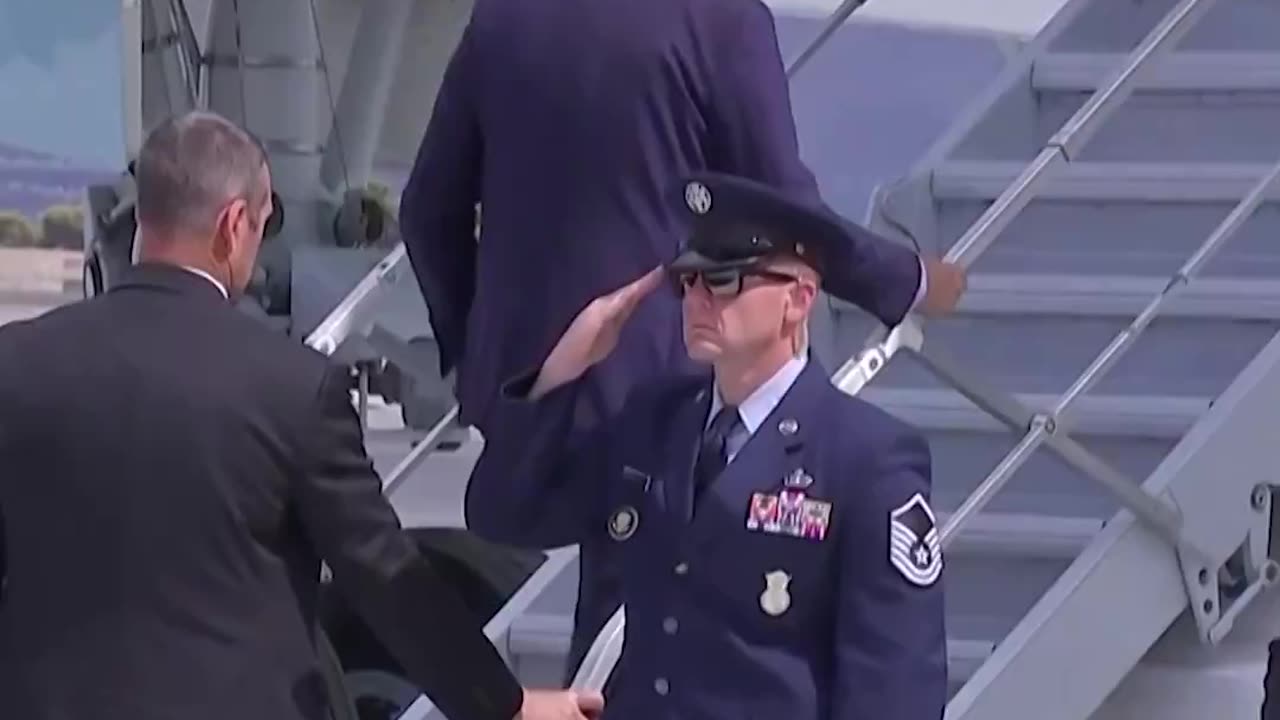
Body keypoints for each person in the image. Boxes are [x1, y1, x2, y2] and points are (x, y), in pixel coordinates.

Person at [399, 0, 966, 683]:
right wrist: (907, 281)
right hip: (673, 402)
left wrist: (486, 371)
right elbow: (782, 210)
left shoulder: (506, 15)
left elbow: (430, 211)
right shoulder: (717, 17)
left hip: (551, 402)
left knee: (614, 658)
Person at [0, 111, 600, 720]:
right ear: (234, 225)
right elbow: (383, 575)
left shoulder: (15, 366)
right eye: (260, 227)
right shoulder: (293, 388)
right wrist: (507, 705)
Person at [464, 171, 948, 718]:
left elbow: (894, 688)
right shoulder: (652, 421)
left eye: (724, 282)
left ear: (799, 300)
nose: (697, 300)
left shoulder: (867, 459)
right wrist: (560, 372)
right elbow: (501, 514)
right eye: (687, 282)